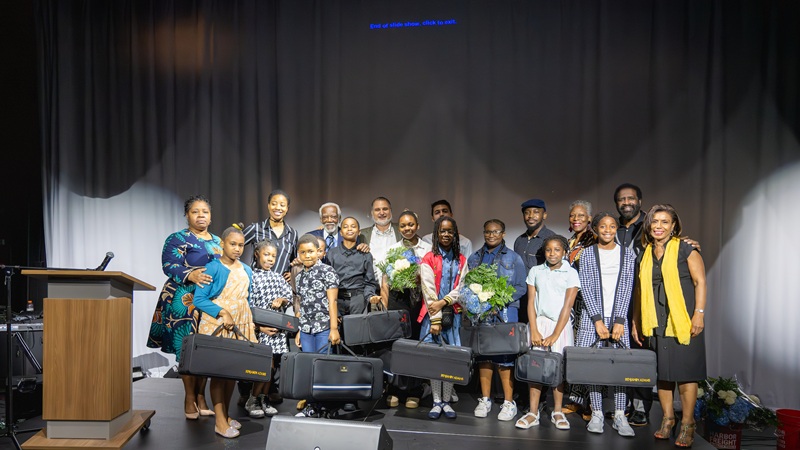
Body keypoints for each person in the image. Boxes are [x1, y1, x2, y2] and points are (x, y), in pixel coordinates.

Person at [632, 205, 707, 448]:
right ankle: (667, 419)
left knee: (686, 375)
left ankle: (687, 423)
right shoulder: (644, 254)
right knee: (663, 376)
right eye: (655, 221)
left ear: (674, 226)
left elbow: (700, 282)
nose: (659, 226)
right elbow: (640, 290)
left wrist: (699, 314)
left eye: (665, 222)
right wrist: (636, 320)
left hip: (682, 320)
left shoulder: (686, 249)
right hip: (656, 321)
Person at [147, 195, 220, 420]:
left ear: (210, 215)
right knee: (187, 349)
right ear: (187, 215)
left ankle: (201, 396)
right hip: (184, 299)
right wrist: (192, 274)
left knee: (206, 349)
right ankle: (189, 397)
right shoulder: (177, 238)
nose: (201, 216)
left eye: (205, 212)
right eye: (195, 212)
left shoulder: (219, 241)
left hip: (210, 300)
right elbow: (169, 265)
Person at [192, 227, 257, 439]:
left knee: (232, 375)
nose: (237, 249)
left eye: (241, 245)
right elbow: (198, 299)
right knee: (220, 375)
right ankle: (219, 422)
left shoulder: (247, 269)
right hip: (218, 323)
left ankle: (226, 416)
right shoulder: (212, 268)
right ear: (222, 245)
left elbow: (246, 298)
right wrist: (222, 312)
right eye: (233, 244)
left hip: (240, 322)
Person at [576, 213, 637, 437]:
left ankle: (620, 414)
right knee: (595, 367)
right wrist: (597, 320)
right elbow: (586, 287)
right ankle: (597, 412)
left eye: (612, 226)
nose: (608, 230)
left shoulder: (627, 253)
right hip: (594, 318)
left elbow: (627, 286)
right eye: (603, 226)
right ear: (595, 229)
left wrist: (619, 320)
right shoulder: (587, 254)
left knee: (620, 367)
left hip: (618, 318)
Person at [515, 235, 578, 431]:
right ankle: (533, 412)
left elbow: (568, 307)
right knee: (536, 368)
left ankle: (557, 410)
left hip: (560, 326)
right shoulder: (536, 271)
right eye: (549, 250)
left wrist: (555, 335)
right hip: (539, 324)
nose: (552, 253)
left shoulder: (571, 273)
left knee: (557, 368)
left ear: (564, 252)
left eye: (557, 250)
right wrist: (533, 329)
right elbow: (531, 302)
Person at [467, 219, 527, 422]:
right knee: (484, 356)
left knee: (505, 357)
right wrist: (479, 303)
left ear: (503, 233)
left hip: (505, 312)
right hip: (482, 314)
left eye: (496, 232)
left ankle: (509, 402)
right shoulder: (475, 258)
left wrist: (498, 301)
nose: (491, 235)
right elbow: (469, 286)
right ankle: (485, 399)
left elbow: (521, 287)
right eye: (488, 232)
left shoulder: (514, 257)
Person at [378, 210, 431, 409]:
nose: (407, 228)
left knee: (415, 347)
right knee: (396, 347)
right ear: (398, 228)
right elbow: (384, 282)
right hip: (397, 301)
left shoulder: (427, 249)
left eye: (411, 225)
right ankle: (394, 389)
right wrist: (385, 308)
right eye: (403, 226)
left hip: (419, 303)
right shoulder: (392, 250)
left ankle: (414, 390)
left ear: (417, 226)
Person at [419, 217, 469, 420]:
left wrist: (444, 301)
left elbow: (462, 288)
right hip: (432, 318)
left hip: (454, 317)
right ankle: (436, 401)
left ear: (455, 234)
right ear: (436, 234)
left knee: (450, 360)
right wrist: (436, 318)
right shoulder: (429, 258)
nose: (446, 235)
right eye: (442, 231)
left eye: (450, 231)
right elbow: (428, 290)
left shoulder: (461, 260)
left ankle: (447, 402)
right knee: (434, 360)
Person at [293, 234, 341, 418]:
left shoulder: (327, 271)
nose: (307, 255)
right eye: (303, 252)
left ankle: (326, 406)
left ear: (319, 252)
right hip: (306, 328)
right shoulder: (300, 276)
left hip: (324, 327)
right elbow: (303, 304)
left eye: (311, 251)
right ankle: (312, 405)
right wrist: (299, 329)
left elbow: (333, 302)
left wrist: (334, 329)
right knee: (309, 368)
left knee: (324, 368)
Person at [245, 239, 293, 418]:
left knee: (272, 369)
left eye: (273, 256)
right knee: (264, 367)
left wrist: (282, 300)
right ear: (257, 254)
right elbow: (248, 305)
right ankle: (253, 399)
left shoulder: (277, 276)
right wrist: (259, 327)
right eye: (266, 255)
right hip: (261, 331)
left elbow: (288, 294)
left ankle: (263, 399)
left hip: (277, 332)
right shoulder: (251, 277)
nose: (270, 259)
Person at [564, 200, 595, 418]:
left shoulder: (594, 240)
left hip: (587, 301)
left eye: (581, 216)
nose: (576, 219)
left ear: (590, 219)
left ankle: (591, 404)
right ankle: (575, 399)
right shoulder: (569, 241)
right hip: (571, 302)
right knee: (574, 349)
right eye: (573, 216)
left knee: (587, 351)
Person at [327, 217, 381, 317]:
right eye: (345, 227)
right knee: (337, 330)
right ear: (341, 232)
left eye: (353, 226)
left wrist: (370, 296)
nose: (349, 229)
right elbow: (326, 281)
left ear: (359, 232)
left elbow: (370, 281)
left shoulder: (366, 254)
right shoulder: (331, 253)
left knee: (356, 330)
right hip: (336, 298)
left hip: (358, 299)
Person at [243, 190, 298, 282]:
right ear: (268, 205)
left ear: (287, 208)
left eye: (282, 205)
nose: (277, 208)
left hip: (281, 286)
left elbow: (294, 260)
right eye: (274, 204)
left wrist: (292, 273)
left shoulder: (292, 233)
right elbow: (235, 244)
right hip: (258, 284)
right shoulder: (256, 228)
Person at [359, 197, 402, 276]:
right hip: (372, 286)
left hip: (398, 286)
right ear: (372, 213)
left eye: (385, 209)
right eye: (377, 210)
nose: (381, 213)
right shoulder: (362, 235)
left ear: (390, 211)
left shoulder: (402, 231)